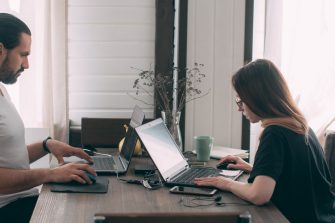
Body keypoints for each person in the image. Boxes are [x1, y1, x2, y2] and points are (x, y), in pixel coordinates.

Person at [194, 59, 335, 223]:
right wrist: (257, 169)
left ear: (257, 98)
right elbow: (297, 177)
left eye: (241, 101)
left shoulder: (274, 133)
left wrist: (224, 183)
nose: (239, 108)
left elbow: (258, 195)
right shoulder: (299, 125)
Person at [0, 13, 96, 222]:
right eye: (23, 54)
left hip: (23, 201)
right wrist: (50, 173)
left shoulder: (1, 91)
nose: (27, 65)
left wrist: (46, 145)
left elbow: (8, 157)